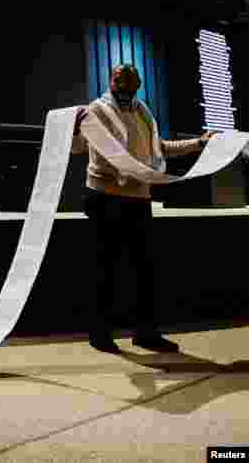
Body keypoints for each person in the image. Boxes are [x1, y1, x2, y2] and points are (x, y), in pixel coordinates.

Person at [72, 64, 213, 354]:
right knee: (105, 268)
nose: (123, 80)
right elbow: (83, 150)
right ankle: (100, 334)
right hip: (106, 198)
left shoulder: (142, 112)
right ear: (111, 80)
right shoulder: (95, 110)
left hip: (138, 199)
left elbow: (158, 148)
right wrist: (75, 132)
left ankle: (146, 333)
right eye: (117, 75)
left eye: (130, 77)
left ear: (138, 83)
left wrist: (199, 143)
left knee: (143, 269)